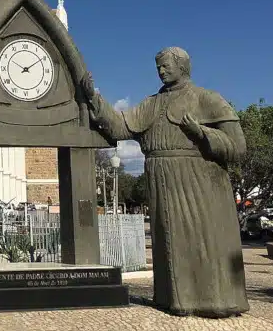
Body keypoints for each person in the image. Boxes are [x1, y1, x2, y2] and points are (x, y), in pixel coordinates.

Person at [82, 47, 248, 317]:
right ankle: (174, 299)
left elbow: (238, 148)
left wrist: (201, 132)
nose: (160, 71)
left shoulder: (207, 99)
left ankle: (213, 301)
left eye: (166, 65)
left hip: (198, 181)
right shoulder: (151, 103)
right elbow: (120, 127)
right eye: (158, 66)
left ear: (182, 66)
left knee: (202, 241)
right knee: (169, 242)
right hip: (161, 179)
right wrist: (93, 97)